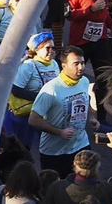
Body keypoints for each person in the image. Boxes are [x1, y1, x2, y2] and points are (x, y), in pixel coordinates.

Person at [30, 46, 98, 177]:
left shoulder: (84, 81)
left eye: (83, 63)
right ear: (64, 66)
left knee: (84, 187)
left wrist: (92, 118)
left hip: (80, 144)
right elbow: (33, 119)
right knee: (56, 191)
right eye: (76, 64)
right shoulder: (51, 89)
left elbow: (87, 100)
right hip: (55, 152)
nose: (81, 68)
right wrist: (59, 132)